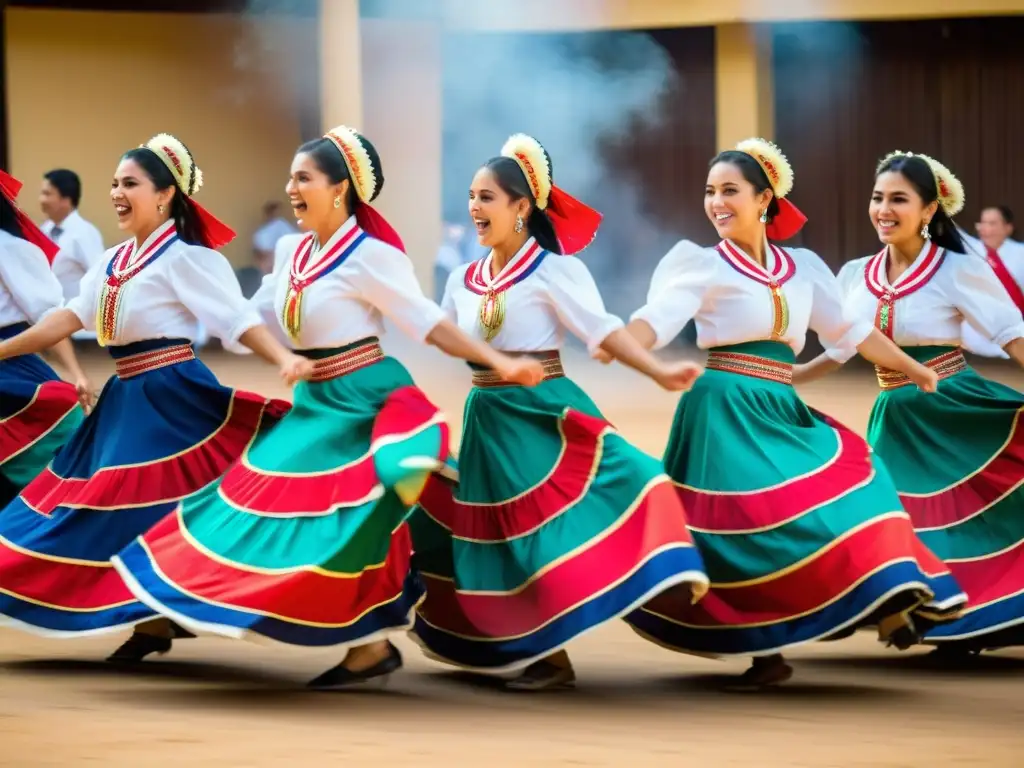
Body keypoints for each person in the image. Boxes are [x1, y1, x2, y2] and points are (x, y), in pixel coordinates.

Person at [111, 126, 545, 688]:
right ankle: (364, 643)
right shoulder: (293, 252)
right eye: (290, 178)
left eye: (303, 178)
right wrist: (166, 308)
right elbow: (247, 318)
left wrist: (501, 363)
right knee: (255, 501)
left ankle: (423, 636)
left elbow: (427, 323)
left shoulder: (371, 257)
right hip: (317, 401)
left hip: (366, 397)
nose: (291, 188)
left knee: (364, 504)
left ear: (340, 189)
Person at [613, 138, 966, 689]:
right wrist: (623, 344)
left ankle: (882, 593)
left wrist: (915, 370)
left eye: (730, 190)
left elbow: (851, 331)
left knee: (860, 482)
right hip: (723, 412)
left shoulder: (801, 267)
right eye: (710, 191)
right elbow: (653, 321)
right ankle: (767, 650)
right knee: (752, 523)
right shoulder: (700, 266)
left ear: (764, 199)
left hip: (779, 405)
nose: (716, 202)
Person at [408, 133, 710, 692]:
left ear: (522, 207)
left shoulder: (554, 271)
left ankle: (630, 590)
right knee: (498, 534)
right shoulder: (462, 279)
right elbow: (445, 337)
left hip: (542, 414)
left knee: (551, 524)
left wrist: (658, 370)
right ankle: (537, 651)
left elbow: (602, 331)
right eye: (471, 196)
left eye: (487, 197)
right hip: (488, 416)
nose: (474, 207)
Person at [0, 133, 311, 656]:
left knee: (132, 505)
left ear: (166, 195)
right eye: (114, 184)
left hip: (172, 397)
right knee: (89, 503)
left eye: (131, 184)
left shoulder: (187, 257)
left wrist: (283, 359)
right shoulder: (114, 259)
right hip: (127, 398)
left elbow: (235, 319)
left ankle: (157, 618)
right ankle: (153, 620)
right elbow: (67, 316)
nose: (117, 193)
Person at [799, 151, 1024, 658]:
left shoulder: (957, 268)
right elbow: (840, 346)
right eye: (878, 198)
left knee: (969, 517)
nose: (883, 209)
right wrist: (787, 377)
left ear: (928, 210)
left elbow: (1012, 334)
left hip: (954, 408)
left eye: (899, 199)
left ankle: (964, 621)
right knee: (900, 517)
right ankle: (938, 616)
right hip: (896, 417)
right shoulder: (856, 273)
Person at [0, 168, 91, 506]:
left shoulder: (9, 247)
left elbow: (50, 317)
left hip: (12, 365)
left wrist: (76, 374)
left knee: (45, 459)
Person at [958, 206, 1024, 358]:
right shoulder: (970, 249)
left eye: (992, 223)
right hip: (976, 332)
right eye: (982, 223)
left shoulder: (1020, 252)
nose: (985, 228)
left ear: (1008, 228)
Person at [39, 168, 106, 305]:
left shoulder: (84, 233)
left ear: (66, 200)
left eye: (47, 194)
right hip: (49, 316)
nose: (41, 200)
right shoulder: (45, 229)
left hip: (77, 320)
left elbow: (100, 279)